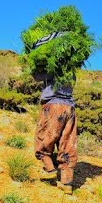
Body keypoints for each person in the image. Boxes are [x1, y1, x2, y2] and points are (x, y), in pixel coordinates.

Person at [32, 61, 78, 191]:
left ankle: (49, 169)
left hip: (54, 106)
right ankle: (66, 182)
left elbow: (37, 76)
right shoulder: (71, 70)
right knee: (68, 142)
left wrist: (35, 63)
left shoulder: (54, 65)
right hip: (70, 108)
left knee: (43, 137)